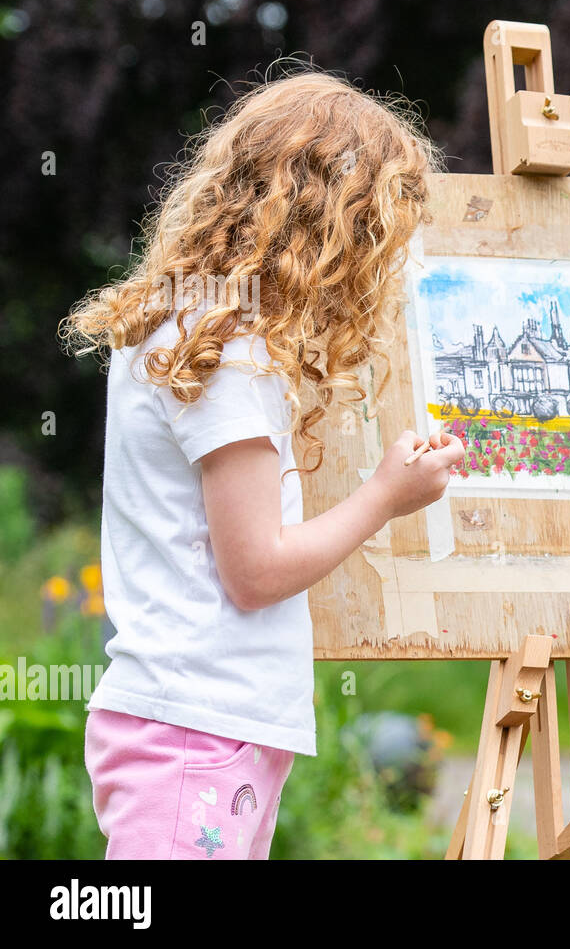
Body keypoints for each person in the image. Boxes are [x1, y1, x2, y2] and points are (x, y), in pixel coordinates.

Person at [59, 67, 465, 859]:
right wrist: (385, 495)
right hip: (194, 729)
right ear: (321, 229)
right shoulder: (224, 350)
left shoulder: (189, 325)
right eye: (368, 241)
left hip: (206, 726)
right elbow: (256, 572)